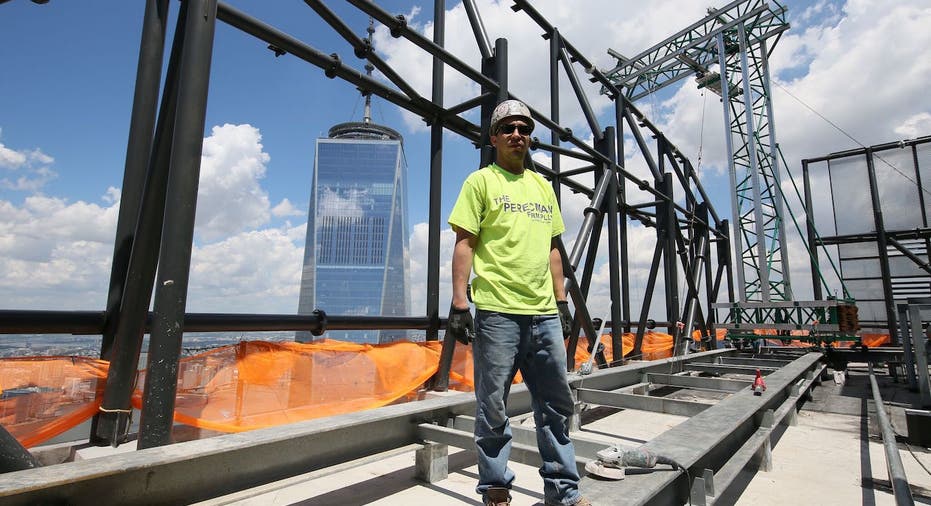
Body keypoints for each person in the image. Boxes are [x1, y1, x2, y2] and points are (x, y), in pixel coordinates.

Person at [447, 99, 590, 506]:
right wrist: (460, 306)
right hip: (497, 311)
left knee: (556, 405)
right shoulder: (480, 182)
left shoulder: (543, 188)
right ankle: (495, 487)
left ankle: (562, 492)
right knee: (493, 406)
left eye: (524, 129)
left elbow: (553, 250)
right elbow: (465, 244)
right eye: (508, 128)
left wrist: (561, 303)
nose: (517, 134)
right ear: (494, 137)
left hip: (543, 312)